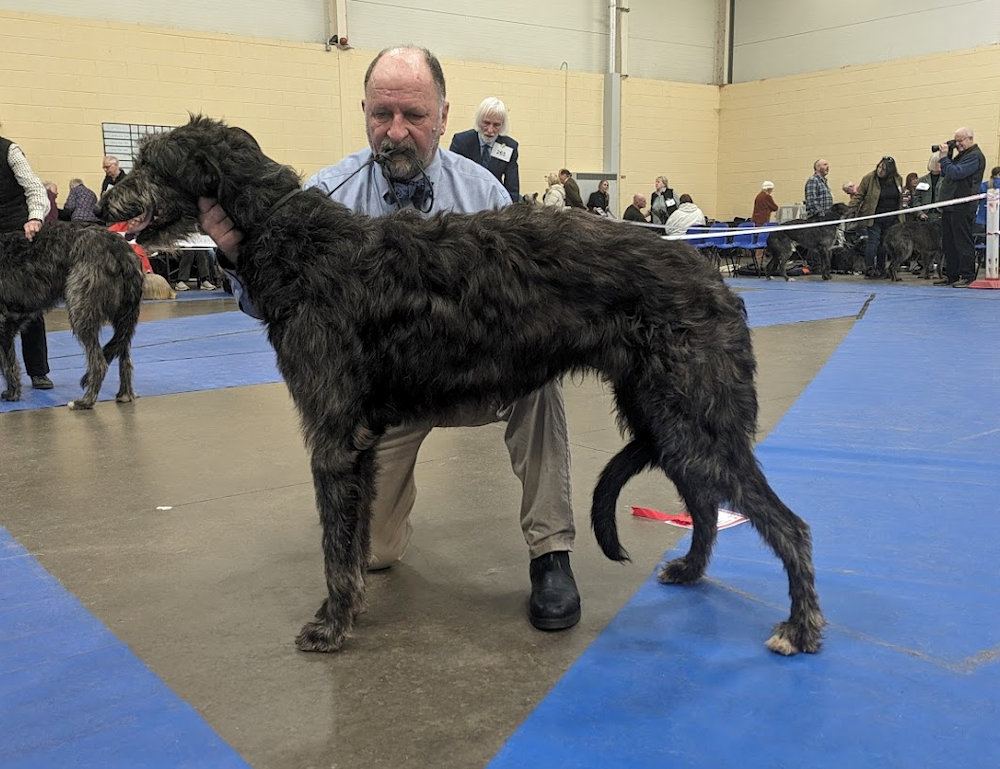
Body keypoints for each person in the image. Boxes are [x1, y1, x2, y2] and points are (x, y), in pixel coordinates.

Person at [197, 45, 581, 631]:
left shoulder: (485, 196)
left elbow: (528, 305)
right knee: (375, 555)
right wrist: (238, 259)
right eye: (382, 115)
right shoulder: (324, 195)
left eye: (414, 117)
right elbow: (273, 308)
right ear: (364, 112)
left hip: (473, 376)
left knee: (539, 383)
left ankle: (551, 553)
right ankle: (386, 519)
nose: (395, 132)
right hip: (383, 397)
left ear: (445, 118)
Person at [0, 125, 53, 389]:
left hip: (18, 239)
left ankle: (37, 371)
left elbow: (35, 189)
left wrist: (35, 217)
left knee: (29, 306)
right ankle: (8, 375)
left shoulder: (10, 150)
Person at [935, 126, 986, 287]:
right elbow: (945, 173)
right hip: (950, 204)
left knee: (962, 241)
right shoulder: (960, 156)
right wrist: (948, 155)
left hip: (963, 204)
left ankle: (967, 275)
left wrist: (944, 158)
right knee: (949, 242)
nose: (958, 144)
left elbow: (956, 173)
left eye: (960, 140)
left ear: (970, 138)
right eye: (956, 141)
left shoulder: (975, 156)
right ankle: (952, 275)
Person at [449, 96, 519, 201]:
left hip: (494, 203)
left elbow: (512, 189)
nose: (490, 130)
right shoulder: (461, 142)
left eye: (496, 125)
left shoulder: (509, 147)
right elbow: (450, 178)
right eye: (486, 123)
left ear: (502, 125)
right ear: (479, 121)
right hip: (464, 200)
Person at [849, 156, 903, 278]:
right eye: (879, 167)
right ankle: (869, 269)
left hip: (891, 217)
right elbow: (859, 196)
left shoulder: (898, 179)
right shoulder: (869, 178)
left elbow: (899, 198)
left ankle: (881, 268)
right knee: (872, 242)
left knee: (885, 244)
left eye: (883, 169)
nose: (880, 170)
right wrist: (850, 210)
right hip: (873, 216)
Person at [912, 154, 943, 222]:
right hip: (926, 215)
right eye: (940, 162)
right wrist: (920, 213)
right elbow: (916, 199)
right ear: (933, 163)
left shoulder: (946, 179)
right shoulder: (922, 180)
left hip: (941, 214)